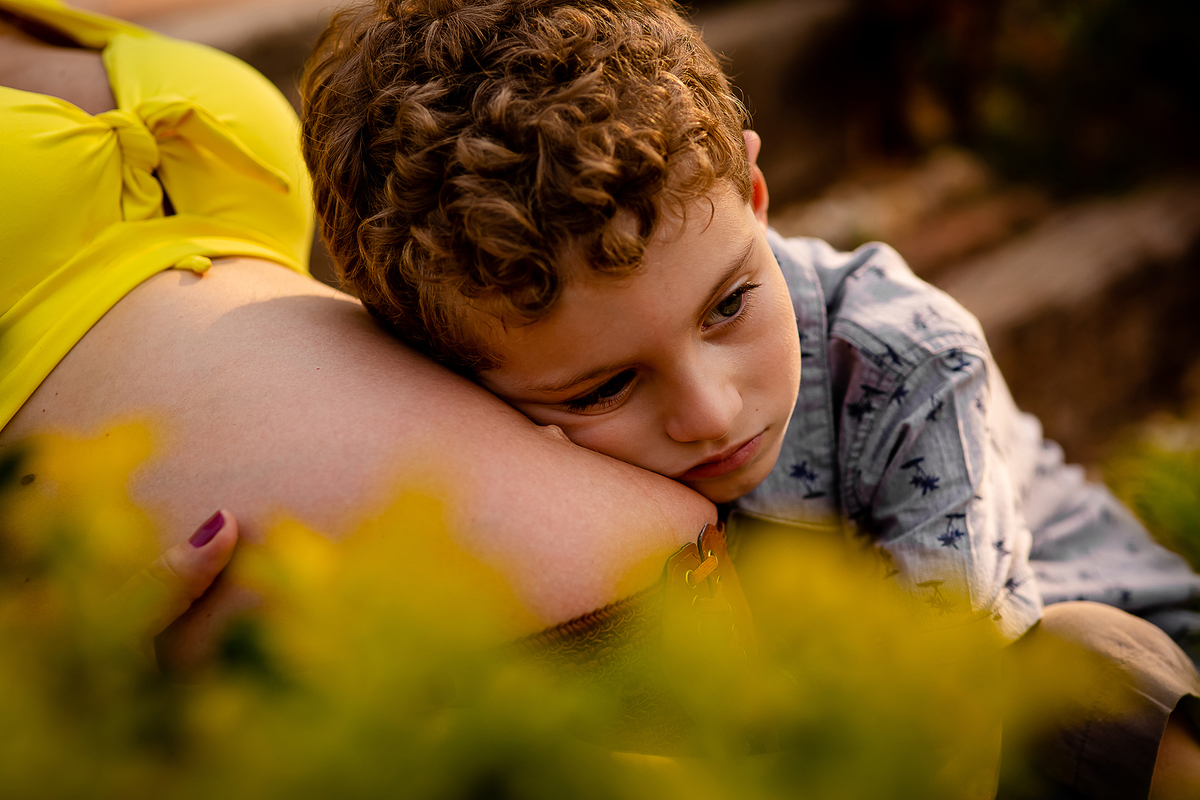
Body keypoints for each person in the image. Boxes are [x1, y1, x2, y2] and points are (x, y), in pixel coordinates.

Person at [297, 0, 1200, 795]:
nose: (711, 412)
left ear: (757, 195)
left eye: (729, 306)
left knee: (1088, 672)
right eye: (606, 387)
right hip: (826, 717)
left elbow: (941, 744)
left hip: (1097, 703)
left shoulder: (908, 359)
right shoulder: (472, 417)